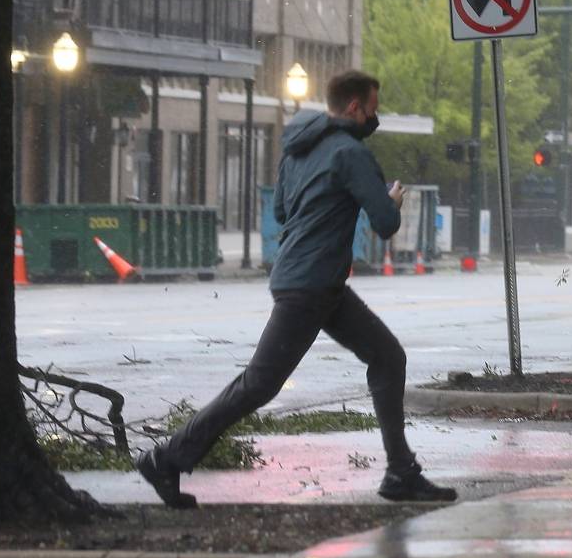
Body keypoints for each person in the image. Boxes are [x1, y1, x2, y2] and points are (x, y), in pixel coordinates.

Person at [136, 69, 456, 507]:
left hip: (313, 282)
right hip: (311, 287)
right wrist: (390, 201)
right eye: (373, 110)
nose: (375, 119)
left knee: (387, 356)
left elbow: (284, 210)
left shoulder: (297, 150)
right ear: (354, 108)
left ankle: (401, 472)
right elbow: (384, 223)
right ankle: (166, 458)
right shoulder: (350, 153)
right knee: (259, 383)